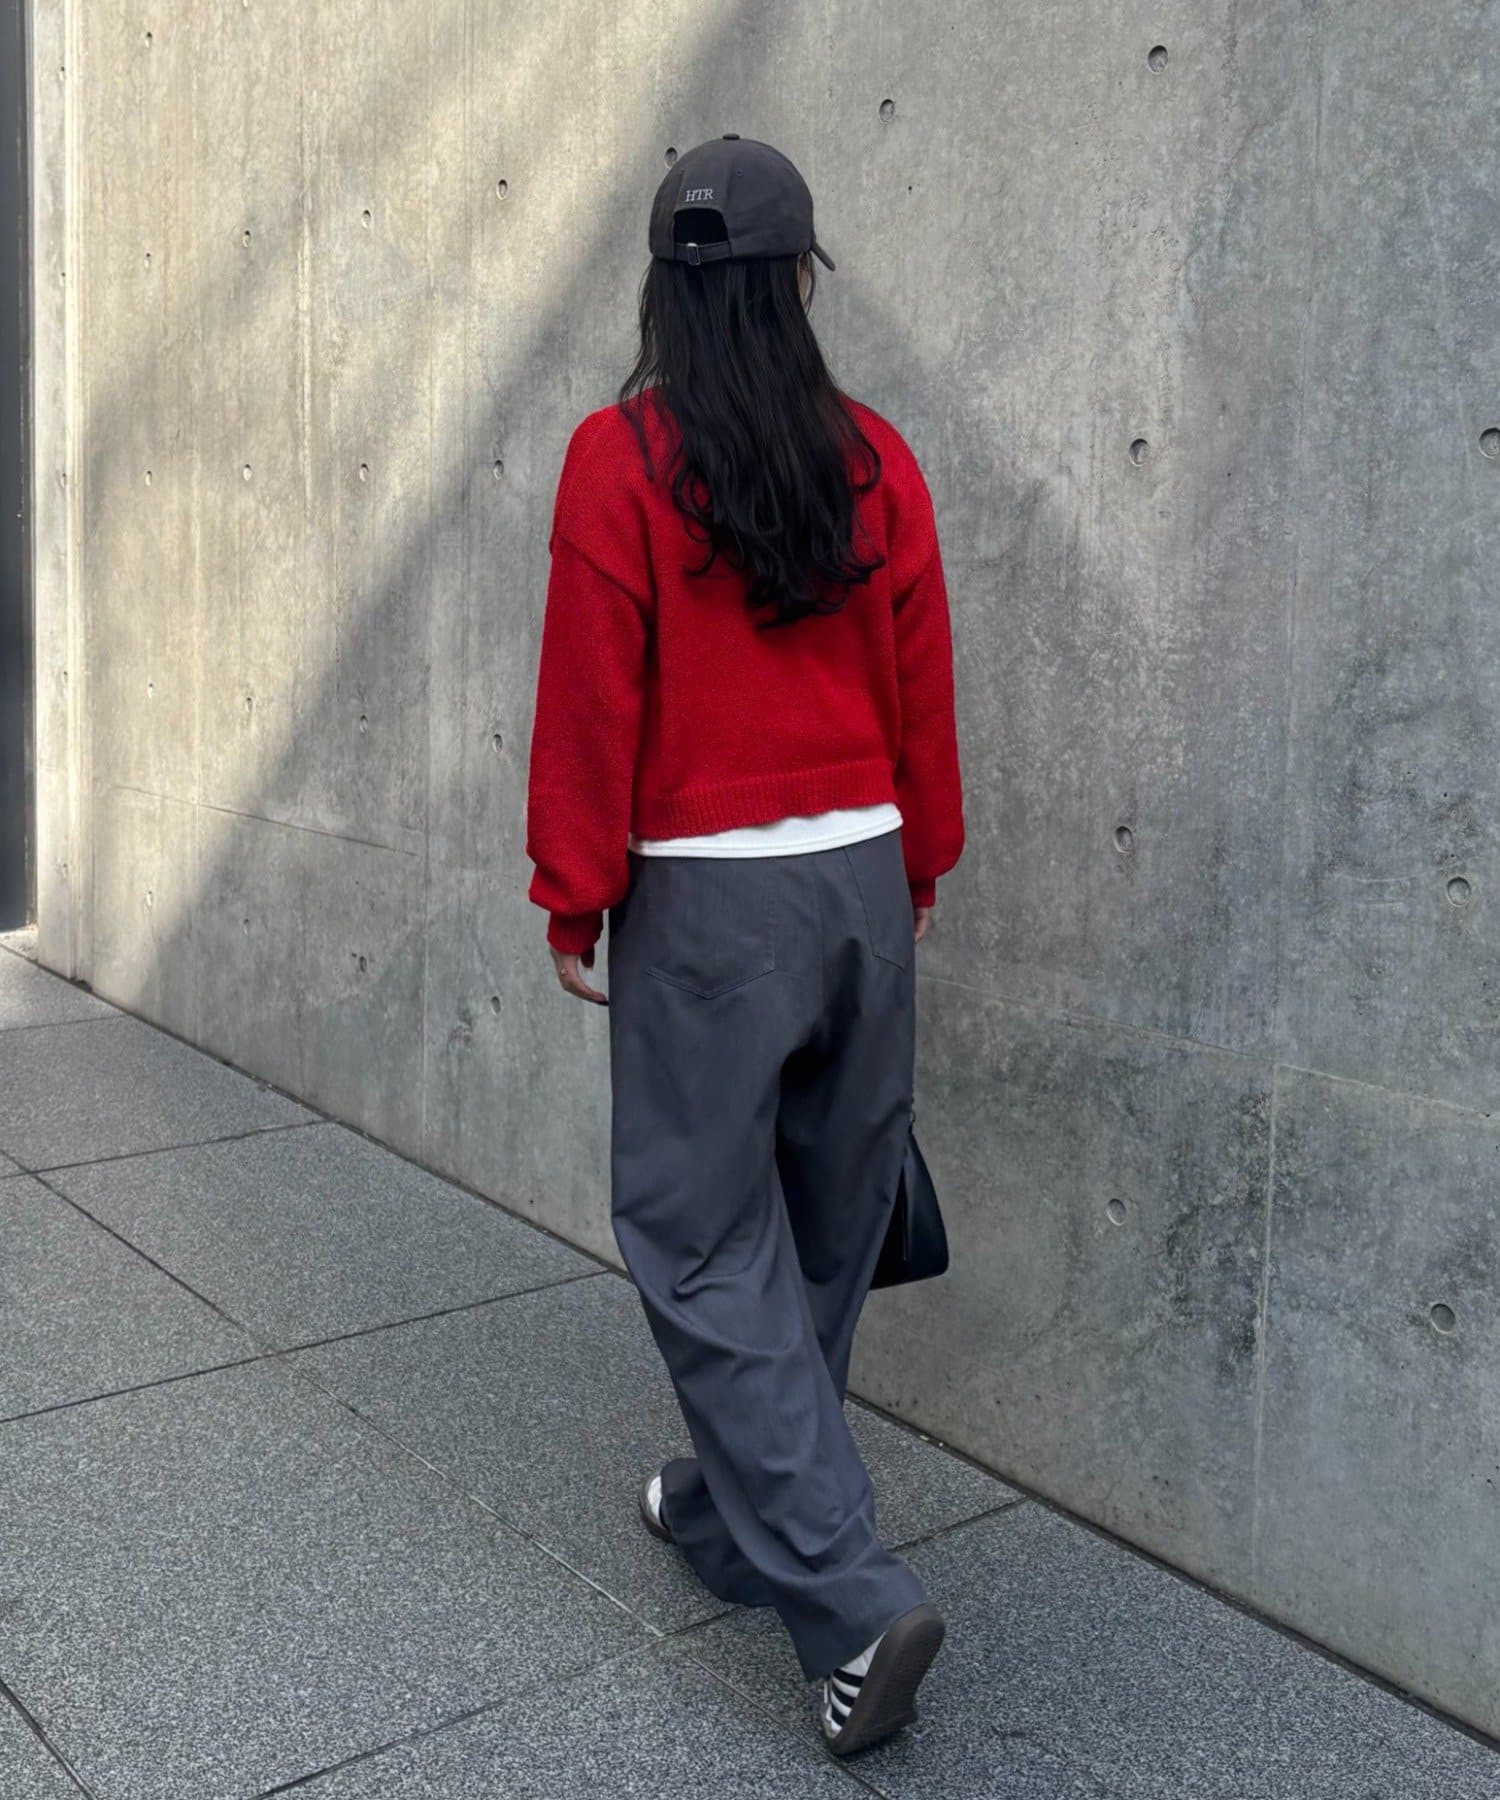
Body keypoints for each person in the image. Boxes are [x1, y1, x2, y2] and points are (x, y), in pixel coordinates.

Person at [524, 134, 964, 1756]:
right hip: (859, 883)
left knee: (701, 1236)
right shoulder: (876, 458)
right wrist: (919, 866)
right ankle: (730, 1516)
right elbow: (922, 685)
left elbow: (593, 694)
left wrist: (574, 890)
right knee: (823, 1227)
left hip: (709, 904)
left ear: (664, 291)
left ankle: (849, 1604)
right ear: (799, 285)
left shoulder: (619, 459)